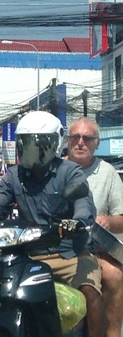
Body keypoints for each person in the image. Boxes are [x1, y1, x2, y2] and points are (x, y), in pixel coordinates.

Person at [0, 111, 104, 337]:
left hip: (69, 253)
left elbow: (83, 204)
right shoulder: (13, 176)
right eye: (28, 143)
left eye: (40, 144)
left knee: (91, 293)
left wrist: (77, 222)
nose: (34, 150)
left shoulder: (70, 172)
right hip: (27, 255)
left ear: (54, 143)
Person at [67, 117, 123, 337]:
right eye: (75, 137)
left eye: (87, 138)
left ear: (97, 143)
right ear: (67, 141)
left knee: (114, 276)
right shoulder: (55, 169)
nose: (81, 142)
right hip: (56, 247)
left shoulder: (108, 173)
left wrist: (108, 221)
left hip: (95, 250)